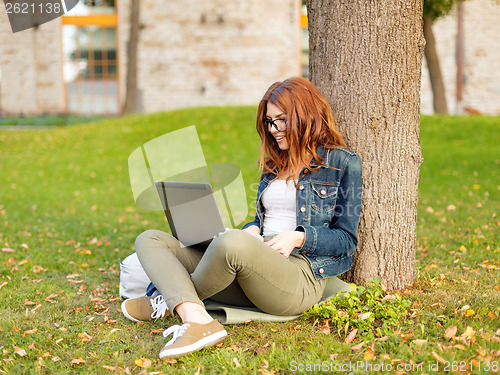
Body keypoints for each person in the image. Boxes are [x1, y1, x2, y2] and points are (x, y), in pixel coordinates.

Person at [121, 77, 363, 359]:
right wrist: (252, 229)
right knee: (151, 239)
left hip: (298, 275)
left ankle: (168, 299)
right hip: (253, 262)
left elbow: (347, 240)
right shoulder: (275, 164)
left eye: (280, 120)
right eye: (269, 122)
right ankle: (195, 316)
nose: (273, 130)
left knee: (231, 242)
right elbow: (263, 219)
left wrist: (299, 236)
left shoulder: (342, 162)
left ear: (303, 115)